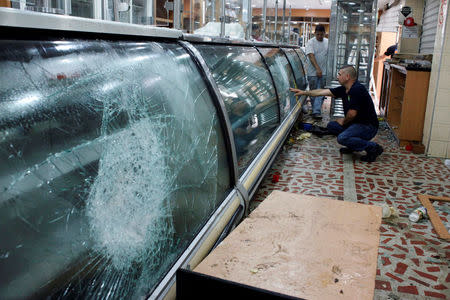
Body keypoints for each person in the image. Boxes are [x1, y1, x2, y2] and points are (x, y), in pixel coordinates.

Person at [290, 65, 383, 162]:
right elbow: (322, 92)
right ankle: (353, 145)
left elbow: (352, 114)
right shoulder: (344, 89)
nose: (337, 76)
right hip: (356, 124)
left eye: (339, 74)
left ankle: (373, 148)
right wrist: (304, 92)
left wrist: (343, 121)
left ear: (347, 77)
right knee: (332, 126)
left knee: (342, 138)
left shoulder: (357, 89)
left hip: (368, 127)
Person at [304, 25, 328, 119]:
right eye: (318, 34)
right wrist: (317, 68)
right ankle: (316, 110)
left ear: (324, 33)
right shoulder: (311, 42)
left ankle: (316, 111)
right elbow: (311, 55)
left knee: (321, 92)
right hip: (312, 72)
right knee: (314, 92)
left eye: (321, 34)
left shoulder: (327, 42)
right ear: (315, 33)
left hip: (325, 72)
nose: (319, 36)